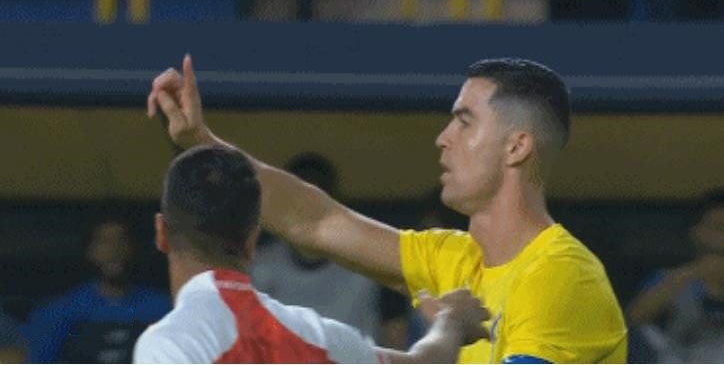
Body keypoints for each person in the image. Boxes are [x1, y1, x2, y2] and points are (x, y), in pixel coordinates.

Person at [147, 54, 628, 363]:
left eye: (464, 122)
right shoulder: (453, 259)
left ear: (516, 147)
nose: (443, 138)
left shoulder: (561, 276)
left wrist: (439, 340)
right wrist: (200, 142)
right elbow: (316, 220)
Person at [133, 144, 490, 363]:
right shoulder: (315, 336)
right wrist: (451, 323)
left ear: (161, 233)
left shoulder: (169, 344)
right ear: (253, 238)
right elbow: (424, 363)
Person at [250, 152, 409, 349]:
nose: (305, 209)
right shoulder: (259, 266)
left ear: (334, 202)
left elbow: (395, 336)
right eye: (295, 200)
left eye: (314, 199)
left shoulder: (372, 262)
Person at [627, 189, 724, 363]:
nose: (720, 235)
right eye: (714, 227)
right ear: (695, 231)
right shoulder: (669, 278)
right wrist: (693, 273)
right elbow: (635, 317)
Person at [20, 218, 171, 363]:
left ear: (133, 248)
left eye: (121, 240)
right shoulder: (60, 311)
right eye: (104, 242)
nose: (114, 250)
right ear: (89, 251)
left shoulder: (163, 308)